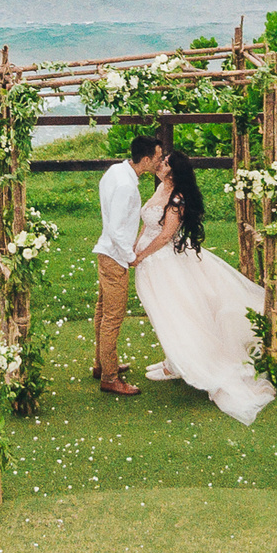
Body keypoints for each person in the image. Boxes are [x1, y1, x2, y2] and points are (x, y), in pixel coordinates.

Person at [130, 149, 277, 425]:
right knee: (162, 311)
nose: (160, 164)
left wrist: (141, 255)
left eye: (164, 163)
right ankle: (172, 361)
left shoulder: (177, 199)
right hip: (150, 259)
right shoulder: (161, 187)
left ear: (172, 172)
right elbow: (147, 223)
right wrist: (134, 246)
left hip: (163, 262)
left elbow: (165, 235)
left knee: (175, 311)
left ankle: (185, 363)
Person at [91, 134, 169, 395]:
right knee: (112, 317)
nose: (159, 162)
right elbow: (115, 227)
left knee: (102, 312)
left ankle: (101, 364)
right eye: (157, 157)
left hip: (106, 252)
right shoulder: (127, 186)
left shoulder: (116, 171)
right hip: (114, 256)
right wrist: (130, 255)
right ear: (146, 159)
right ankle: (110, 378)